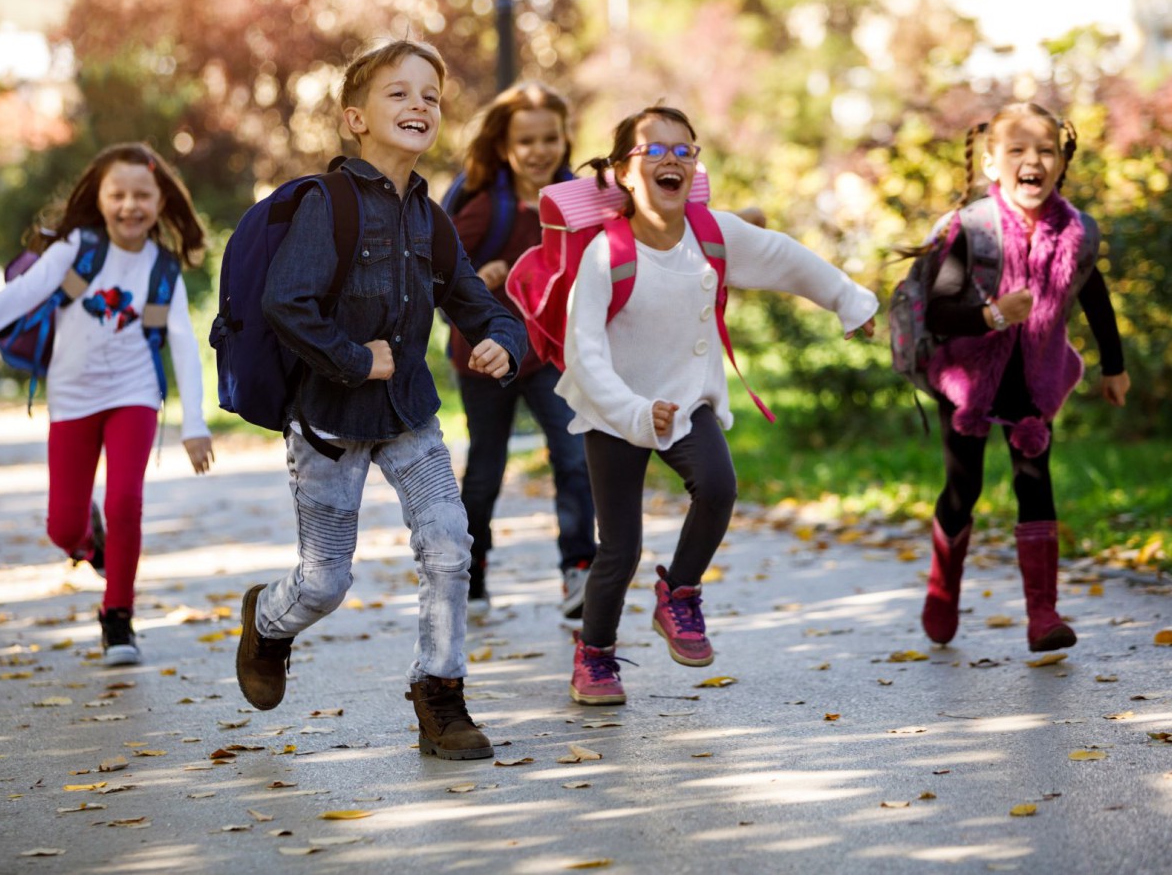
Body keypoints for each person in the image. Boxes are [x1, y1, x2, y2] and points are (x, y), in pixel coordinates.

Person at [234, 39, 527, 761]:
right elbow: (285, 302)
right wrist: (353, 358)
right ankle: (267, 623)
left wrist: (503, 341)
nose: (419, 105)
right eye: (399, 93)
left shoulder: (429, 218)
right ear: (354, 119)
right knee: (325, 583)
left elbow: (475, 300)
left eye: (430, 94)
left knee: (450, 547)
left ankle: (441, 694)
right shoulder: (327, 205)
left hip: (409, 416)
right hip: (328, 423)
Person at [557, 105, 878, 706]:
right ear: (625, 172)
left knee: (720, 485)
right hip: (616, 411)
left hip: (687, 401)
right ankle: (595, 655)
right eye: (653, 150)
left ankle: (679, 592)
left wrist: (848, 300)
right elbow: (585, 354)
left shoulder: (713, 234)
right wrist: (630, 411)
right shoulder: (605, 255)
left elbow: (785, 258)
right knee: (618, 550)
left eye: (684, 149)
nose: (671, 159)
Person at [0, 143, 214, 665]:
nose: (130, 206)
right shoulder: (77, 249)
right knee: (62, 529)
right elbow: (17, 297)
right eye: (117, 194)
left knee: (125, 502)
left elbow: (184, 344)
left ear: (161, 201)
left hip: (134, 396)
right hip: (73, 399)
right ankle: (91, 547)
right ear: (98, 199)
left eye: (142, 195)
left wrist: (194, 424)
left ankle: (118, 618)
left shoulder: (161, 268)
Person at [919, 102, 1128, 653]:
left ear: (1060, 163)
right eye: (1017, 150)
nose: (1032, 161)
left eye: (1045, 150)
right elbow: (937, 312)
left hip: (1035, 376)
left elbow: (1094, 293)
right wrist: (990, 316)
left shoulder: (1075, 231)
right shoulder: (975, 229)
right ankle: (943, 587)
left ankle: (1043, 613)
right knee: (965, 488)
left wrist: (1115, 366)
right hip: (968, 374)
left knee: (1035, 483)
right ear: (992, 165)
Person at [448, 81, 597, 619]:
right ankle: (473, 569)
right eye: (526, 140)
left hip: (551, 354)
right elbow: (440, 272)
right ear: (505, 146)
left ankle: (578, 569)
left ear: (565, 139)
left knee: (574, 456)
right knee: (486, 468)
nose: (539, 150)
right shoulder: (488, 207)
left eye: (550, 138)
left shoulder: (581, 200)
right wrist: (477, 279)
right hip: (485, 354)